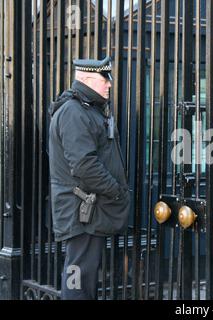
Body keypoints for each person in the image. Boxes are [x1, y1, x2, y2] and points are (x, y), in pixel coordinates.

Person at [48, 56, 130, 300]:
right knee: (78, 276)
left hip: (87, 210)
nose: (109, 84)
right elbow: (84, 164)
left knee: (80, 273)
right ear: (85, 80)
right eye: (104, 79)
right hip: (82, 212)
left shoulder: (86, 110)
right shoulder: (74, 112)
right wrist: (115, 190)